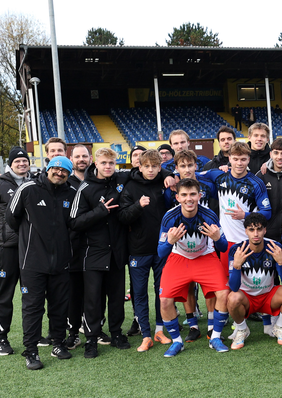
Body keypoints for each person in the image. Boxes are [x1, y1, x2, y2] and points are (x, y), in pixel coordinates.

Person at [7, 156, 77, 369]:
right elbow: (11, 218)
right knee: (33, 308)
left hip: (62, 262)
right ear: (48, 168)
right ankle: (31, 351)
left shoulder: (72, 193)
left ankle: (58, 344)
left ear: (68, 174)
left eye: (64, 170)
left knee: (59, 307)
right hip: (33, 263)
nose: (59, 172)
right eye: (56, 168)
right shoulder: (28, 189)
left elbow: (74, 223)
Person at [157, 178, 231, 356]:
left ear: (200, 195)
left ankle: (216, 337)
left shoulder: (209, 215)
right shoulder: (170, 216)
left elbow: (222, 247)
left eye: (192, 194)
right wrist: (170, 242)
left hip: (205, 257)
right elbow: (161, 252)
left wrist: (217, 238)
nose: (188, 199)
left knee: (223, 294)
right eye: (184, 195)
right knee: (165, 300)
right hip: (179, 258)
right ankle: (177, 342)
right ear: (177, 197)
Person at [70, 147, 133, 357]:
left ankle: (116, 334)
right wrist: (100, 211)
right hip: (93, 253)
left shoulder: (120, 179)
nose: (108, 167)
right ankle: (91, 340)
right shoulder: (85, 188)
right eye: (104, 163)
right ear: (95, 163)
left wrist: (167, 175)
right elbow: (74, 222)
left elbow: (142, 171)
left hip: (116, 252)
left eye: (111, 163)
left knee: (116, 297)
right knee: (93, 300)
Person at [117, 150, 169, 352]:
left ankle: (159, 330)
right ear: (139, 166)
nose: (150, 170)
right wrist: (138, 206)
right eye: (146, 166)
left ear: (159, 167)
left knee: (161, 292)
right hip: (138, 250)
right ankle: (145, 335)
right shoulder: (130, 186)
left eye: (154, 166)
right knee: (139, 293)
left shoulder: (164, 182)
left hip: (161, 248)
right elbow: (122, 216)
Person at [0, 147, 31, 356]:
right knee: (5, 294)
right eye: (17, 161)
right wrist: (4, 235)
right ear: (10, 164)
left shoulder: (35, 183)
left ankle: (34, 336)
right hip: (9, 250)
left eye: (25, 160)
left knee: (32, 294)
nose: (22, 163)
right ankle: (2, 338)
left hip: (31, 249)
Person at [227, 213, 282, 349]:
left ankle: (279, 327)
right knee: (232, 298)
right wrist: (236, 266)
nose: (256, 234)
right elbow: (234, 287)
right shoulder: (236, 249)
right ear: (245, 231)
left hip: (268, 296)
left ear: (265, 230)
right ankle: (242, 330)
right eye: (252, 230)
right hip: (247, 298)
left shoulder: (274, 247)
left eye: (259, 229)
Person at [202, 142, 271, 276]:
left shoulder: (256, 183)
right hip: (225, 240)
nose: (239, 163)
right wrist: (172, 176)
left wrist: (245, 214)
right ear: (229, 159)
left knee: (250, 280)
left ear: (248, 160)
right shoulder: (218, 175)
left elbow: (267, 213)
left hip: (249, 240)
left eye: (243, 159)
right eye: (235, 159)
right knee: (227, 281)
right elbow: (194, 175)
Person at [64, 145, 91, 349]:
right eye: (78, 156)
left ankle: (95, 329)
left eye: (84, 156)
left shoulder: (97, 180)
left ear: (90, 158)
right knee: (74, 293)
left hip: (95, 246)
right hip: (72, 246)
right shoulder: (65, 182)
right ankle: (73, 332)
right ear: (71, 158)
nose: (81, 159)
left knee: (95, 292)